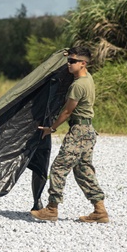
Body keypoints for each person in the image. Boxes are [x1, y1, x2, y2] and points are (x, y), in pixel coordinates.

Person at [31, 46, 108, 223]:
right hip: (88, 132)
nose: (69, 64)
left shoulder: (78, 85)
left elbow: (67, 111)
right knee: (83, 171)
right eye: (68, 60)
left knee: (58, 168)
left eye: (73, 61)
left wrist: (52, 128)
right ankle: (100, 210)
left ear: (83, 63)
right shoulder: (87, 78)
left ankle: (51, 209)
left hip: (79, 133)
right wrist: (62, 55)